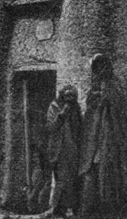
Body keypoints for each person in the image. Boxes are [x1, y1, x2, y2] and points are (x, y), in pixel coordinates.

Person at [79, 54, 126, 215]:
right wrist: (97, 101)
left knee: (107, 174)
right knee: (89, 173)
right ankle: (88, 211)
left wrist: (107, 101)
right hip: (93, 137)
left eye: (101, 67)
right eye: (96, 68)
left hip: (107, 136)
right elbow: (90, 108)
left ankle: (108, 210)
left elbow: (117, 108)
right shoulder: (93, 87)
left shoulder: (113, 85)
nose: (99, 70)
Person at [46, 85, 82, 218]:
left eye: (71, 97)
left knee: (71, 180)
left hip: (72, 150)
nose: (69, 99)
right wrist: (61, 116)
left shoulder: (76, 109)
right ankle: (55, 207)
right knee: (61, 179)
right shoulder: (54, 107)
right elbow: (50, 128)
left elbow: (79, 129)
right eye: (66, 96)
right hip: (58, 150)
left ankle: (67, 208)